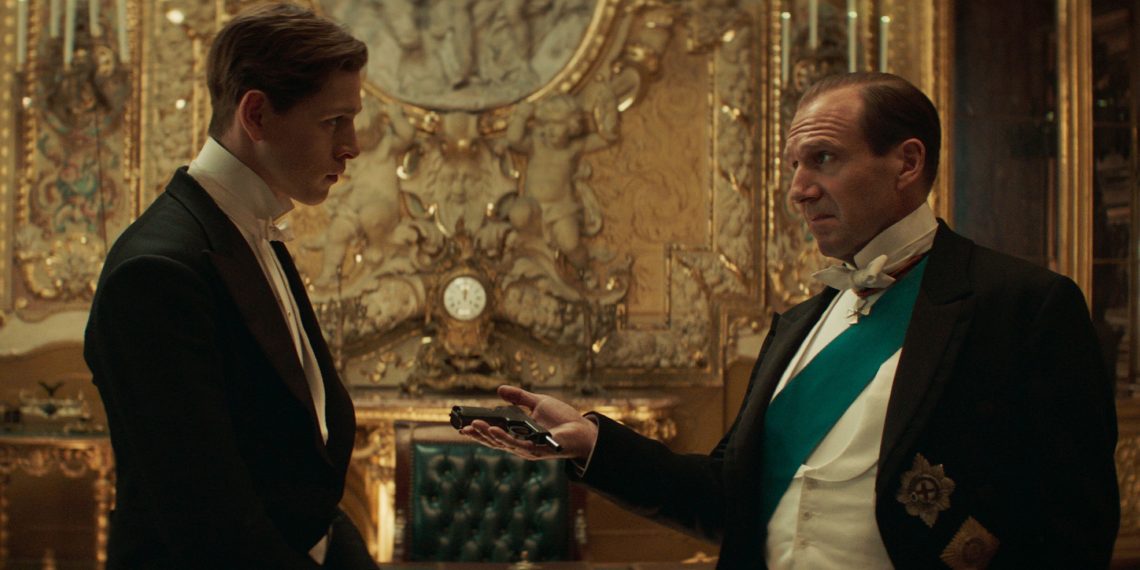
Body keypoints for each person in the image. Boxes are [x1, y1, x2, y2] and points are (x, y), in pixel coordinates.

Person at [461, 72, 1120, 569]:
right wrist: (593, 445)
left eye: (824, 159)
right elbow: (729, 501)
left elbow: (1072, 535)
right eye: (794, 166)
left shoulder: (1024, 306)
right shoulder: (800, 325)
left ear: (908, 162)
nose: (798, 189)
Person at [83, 4, 377, 568]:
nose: (352, 145)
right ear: (257, 114)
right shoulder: (155, 273)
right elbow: (209, 524)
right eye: (333, 121)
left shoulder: (246, 229)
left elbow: (293, 474)